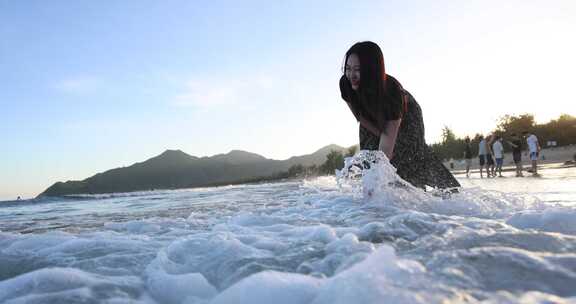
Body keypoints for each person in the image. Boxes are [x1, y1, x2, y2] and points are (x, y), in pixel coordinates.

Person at [340, 41, 460, 190]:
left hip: (406, 116)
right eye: (348, 68)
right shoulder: (346, 84)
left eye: (357, 69)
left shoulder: (392, 93)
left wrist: (388, 140)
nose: (351, 75)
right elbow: (360, 117)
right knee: (370, 160)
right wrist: (381, 134)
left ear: (372, 70)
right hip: (372, 118)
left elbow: (385, 155)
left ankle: (431, 195)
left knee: (410, 157)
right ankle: (376, 203)